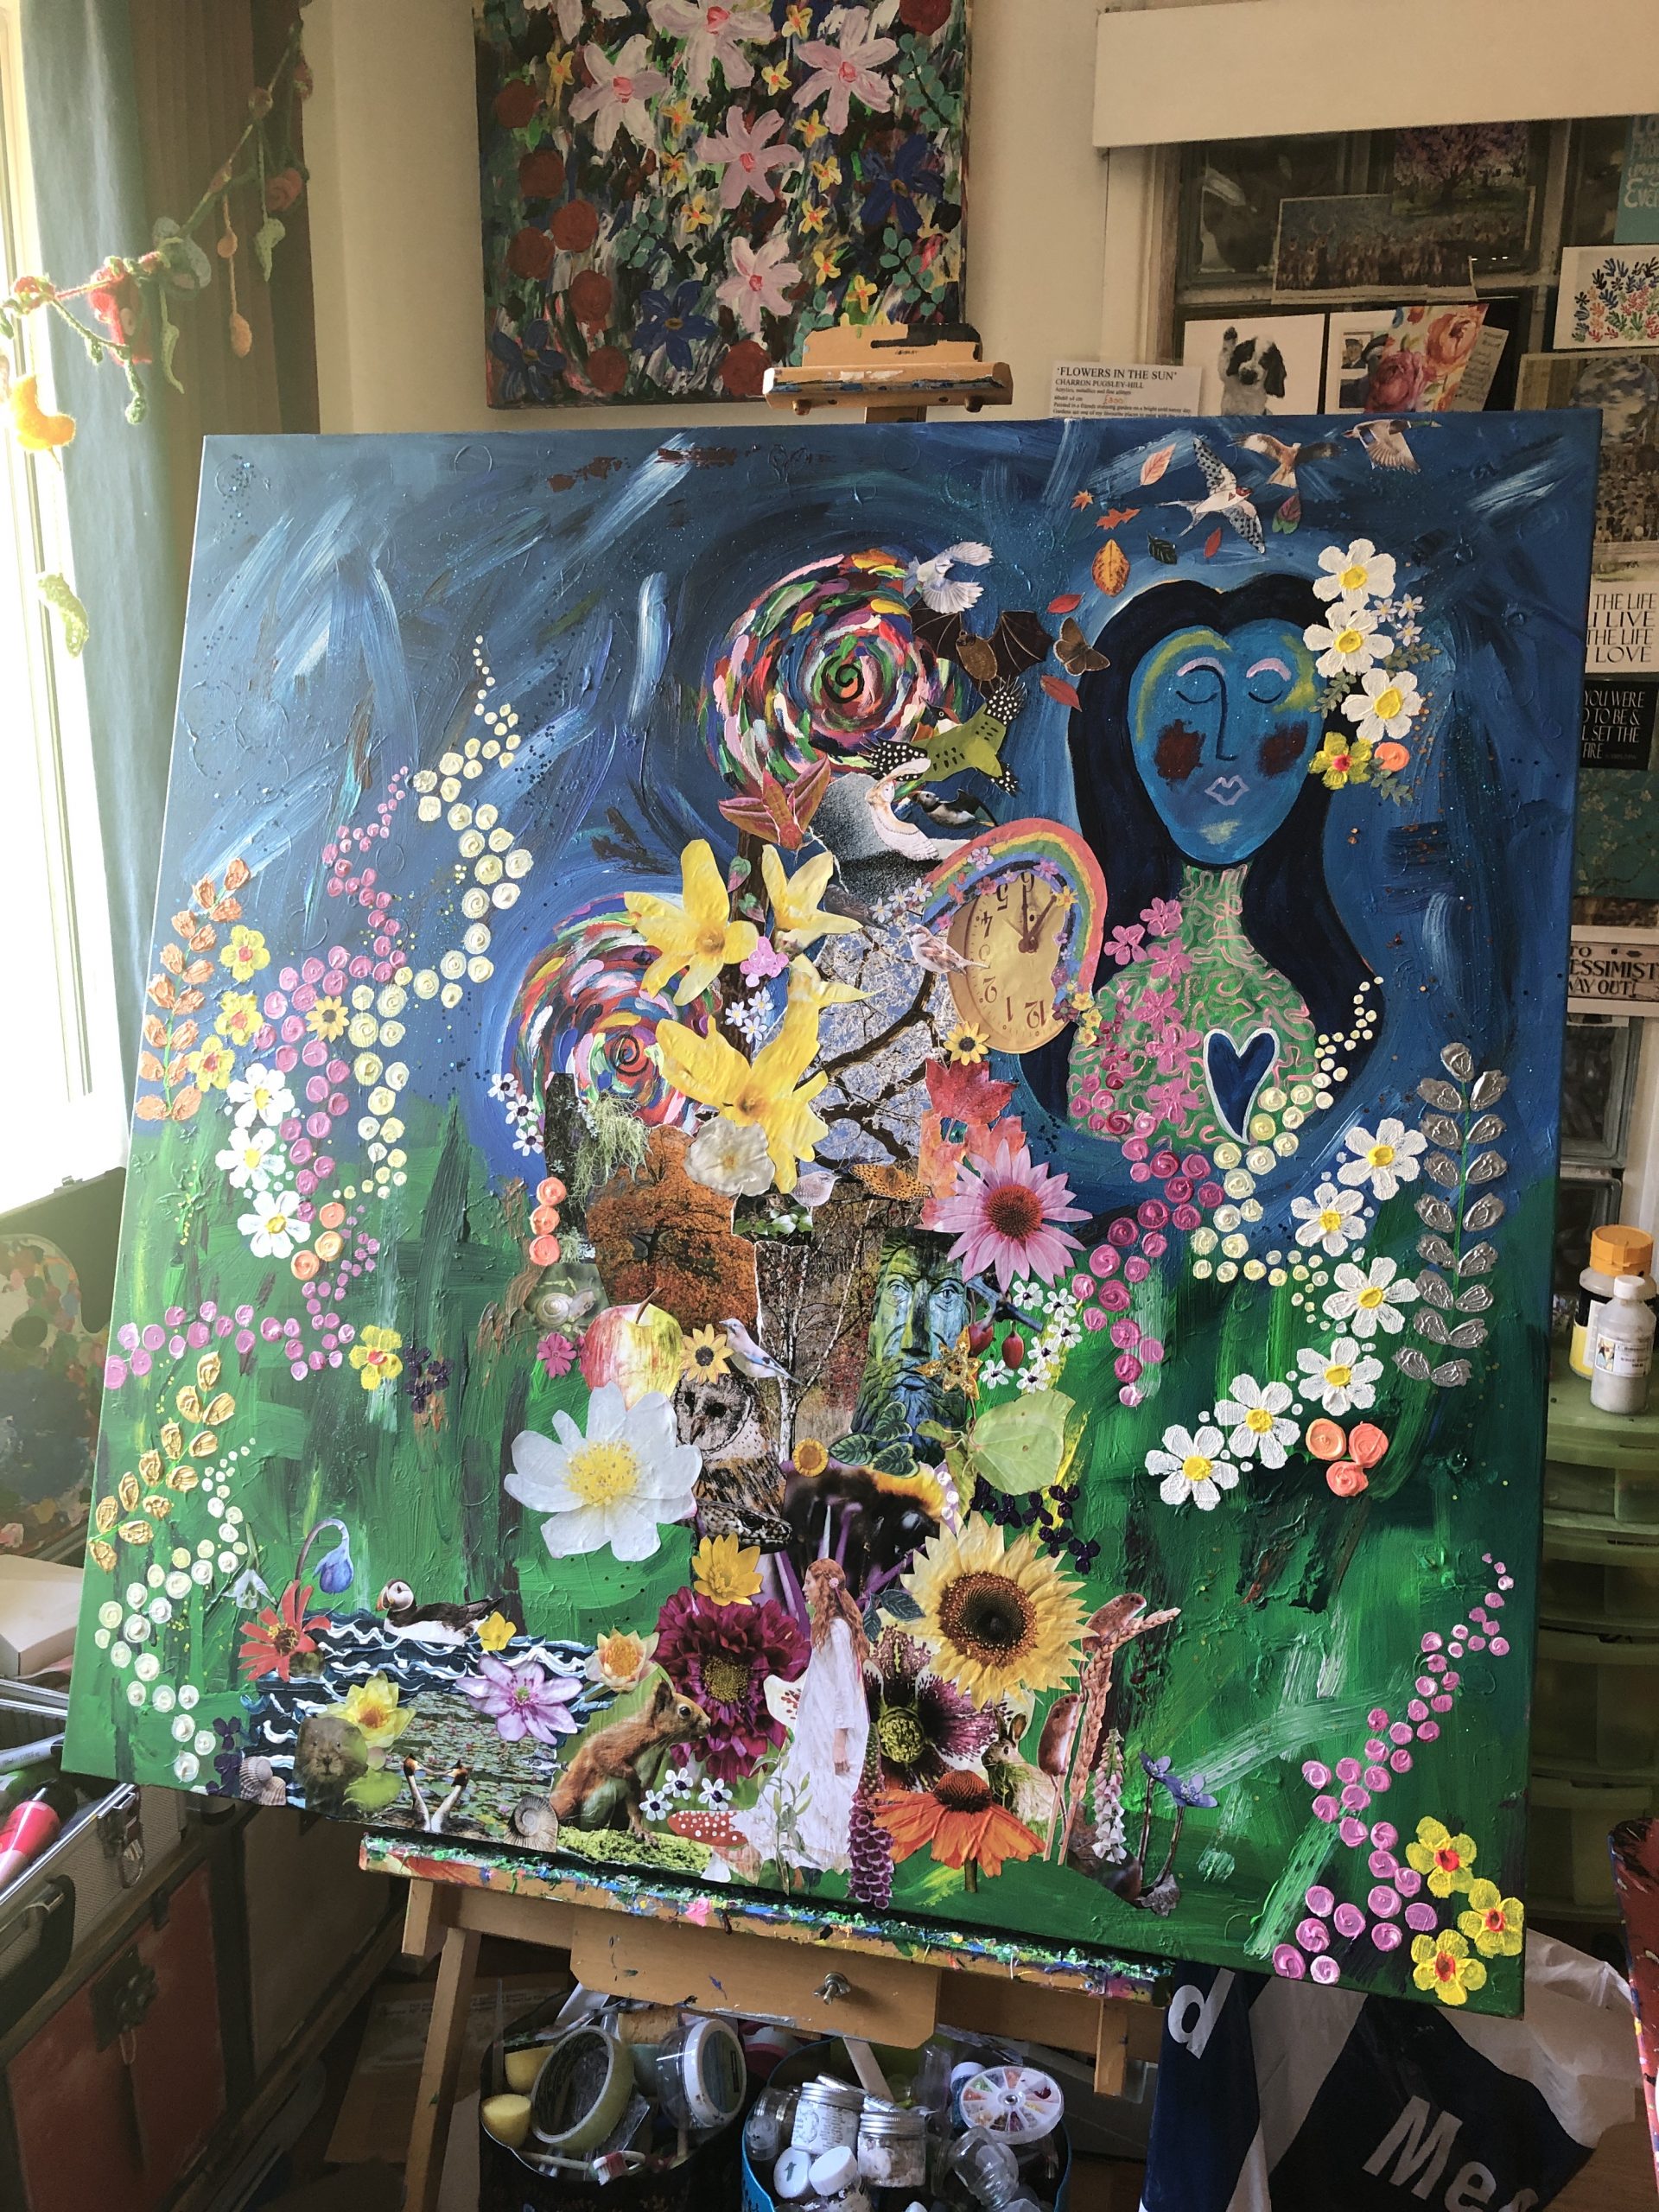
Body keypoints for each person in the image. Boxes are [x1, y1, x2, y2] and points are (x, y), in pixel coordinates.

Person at [1027, 575, 1382, 1155]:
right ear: (1120, 735)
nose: (1226, 746)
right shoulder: (1060, 987)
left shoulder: (1343, 997)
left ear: (1327, 745)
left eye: (1269, 696)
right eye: (1192, 700)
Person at [734, 1556, 870, 1875]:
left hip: (831, 1728)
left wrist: (840, 1741)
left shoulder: (838, 1629)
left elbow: (846, 1686)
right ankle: (773, 1853)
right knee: (799, 1781)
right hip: (816, 1723)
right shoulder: (827, 1625)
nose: (804, 1588)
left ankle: (817, 1857)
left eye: (810, 1582)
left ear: (824, 1586)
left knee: (825, 1790)